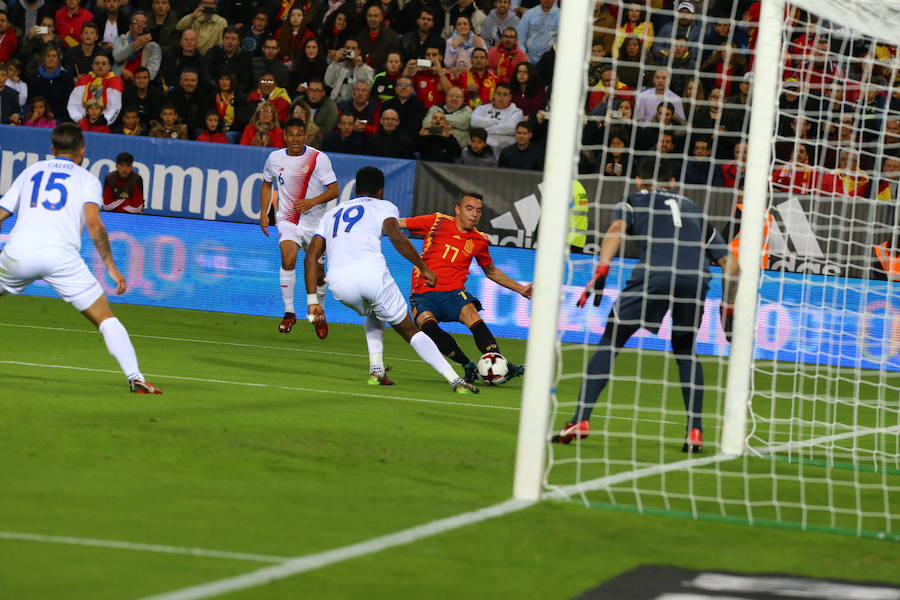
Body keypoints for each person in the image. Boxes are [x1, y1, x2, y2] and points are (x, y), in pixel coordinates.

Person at [554, 159, 738, 452]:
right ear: (673, 183)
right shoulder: (693, 209)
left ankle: (580, 419)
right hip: (696, 279)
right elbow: (731, 265)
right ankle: (695, 430)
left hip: (654, 274)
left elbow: (616, 228)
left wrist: (602, 269)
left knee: (611, 340)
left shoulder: (633, 200)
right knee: (686, 352)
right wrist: (729, 306)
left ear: (639, 181)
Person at [0, 123, 162, 394]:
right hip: (61, 257)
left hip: (19, 252)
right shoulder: (87, 179)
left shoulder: (31, 172)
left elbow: (3, 212)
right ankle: (136, 377)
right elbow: (94, 224)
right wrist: (110, 266)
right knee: (105, 317)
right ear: (82, 151)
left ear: (52, 150)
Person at [303, 166, 477, 394]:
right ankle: (455, 379)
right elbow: (396, 236)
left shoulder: (332, 213)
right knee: (410, 331)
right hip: (371, 275)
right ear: (380, 190)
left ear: (357, 189)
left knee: (375, 310)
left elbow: (311, 255)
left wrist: (312, 301)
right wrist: (422, 266)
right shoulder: (384, 206)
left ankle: (377, 369)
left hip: (339, 284)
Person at [399, 192, 532, 384]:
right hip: (423, 294)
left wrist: (521, 289)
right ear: (458, 210)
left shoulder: (479, 240)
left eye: (479, 210)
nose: (475, 214)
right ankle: (467, 365)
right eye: (469, 208)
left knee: (472, 315)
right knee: (428, 328)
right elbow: (397, 224)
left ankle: (502, 366)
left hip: (453, 292)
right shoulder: (437, 221)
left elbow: (491, 271)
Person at [259, 118, 339, 336]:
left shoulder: (318, 158)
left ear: (306, 136)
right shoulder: (274, 158)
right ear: (285, 135)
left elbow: (334, 190)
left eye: (299, 134)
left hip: (316, 223)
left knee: (320, 274)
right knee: (288, 258)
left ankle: (318, 313)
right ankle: (288, 313)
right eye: (291, 134)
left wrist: (311, 202)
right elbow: (266, 183)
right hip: (288, 219)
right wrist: (264, 213)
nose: (295, 139)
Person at [469, 81, 523, 157]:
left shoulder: (517, 112)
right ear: (494, 94)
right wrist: (495, 122)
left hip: (504, 148)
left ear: (510, 97)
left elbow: (510, 129)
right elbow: (474, 122)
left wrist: (486, 130)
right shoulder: (482, 108)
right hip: (481, 148)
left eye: (505, 94)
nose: (501, 97)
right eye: (498, 93)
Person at [67, 54, 123, 124]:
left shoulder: (114, 82)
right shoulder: (84, 80)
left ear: (109, 67)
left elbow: (115, 108)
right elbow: (73, 104)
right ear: (92, 66)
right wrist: (79, 119)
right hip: (82, 121)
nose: (100, 66)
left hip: (104, 123)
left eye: (104, 64)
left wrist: (104, 121)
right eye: (97, 63)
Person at [112, 10, 161, 83]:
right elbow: (117, 57)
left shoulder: (153, 47)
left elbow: (152, 71)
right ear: (130, 27)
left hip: (141, 85)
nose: (140, 25)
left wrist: (137, 79)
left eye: (143, 22)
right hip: (119, 81)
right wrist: (135, 44)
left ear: (147, 26)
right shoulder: (120, 40)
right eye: (136, 22)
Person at [324, 38, 374, 103]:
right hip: (337, 103)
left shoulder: (367, 69)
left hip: (355, 104)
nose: (350, 50)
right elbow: (328, 82)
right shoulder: (337, 65)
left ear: (359, 51)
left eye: (353, 49)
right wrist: (335, 62)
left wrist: (359, 67)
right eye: (347, 48)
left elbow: (366, 89)